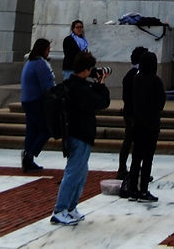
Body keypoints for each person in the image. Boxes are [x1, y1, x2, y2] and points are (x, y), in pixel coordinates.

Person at [49, 52, 110, 228]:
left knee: (80, 173)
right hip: (80, 134)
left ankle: (70, 207)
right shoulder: (81, 89)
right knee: (73, 172)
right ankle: (60, 210)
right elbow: (102, 102)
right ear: (86, 69)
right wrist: (101, 83)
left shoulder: (71, 84)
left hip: (76, 133)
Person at [126, 50, 166, 203]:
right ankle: (143, 190)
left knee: (136, 157)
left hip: (138, 123)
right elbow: (160, 103)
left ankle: (133, 189)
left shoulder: (136, 79)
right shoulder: (156, 81)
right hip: (151, 123)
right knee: (147, 158)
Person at [116, 46, 149, 190]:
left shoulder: (132, 74)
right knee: (132, 141)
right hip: (134, 113)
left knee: (130, 140)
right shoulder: (136, 75)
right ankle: (126, 169)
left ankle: (126, 168)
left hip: (131, 112)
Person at [20, 38, 55, 171]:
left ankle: (28, 157)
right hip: (36, 101)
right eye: (48, 49)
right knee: (46, 129)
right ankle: (29, 155)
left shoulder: (30, 62)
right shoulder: (40, 63)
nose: (49, 52)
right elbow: (47, 85)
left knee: (32, 130)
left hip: (27, 100)